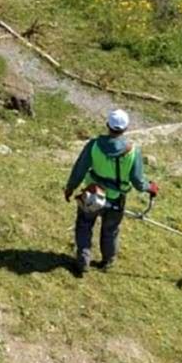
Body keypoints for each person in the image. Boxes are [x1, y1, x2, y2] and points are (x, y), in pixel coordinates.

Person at [63, 108, 158, 275]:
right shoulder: (133, 151)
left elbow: (80, 169)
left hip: (92, 194)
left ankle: (83, 258)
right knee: (110, 230)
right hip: (115, 199)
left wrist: (70, 187)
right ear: (126, 128)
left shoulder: (94, 145)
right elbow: (137, 181)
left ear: (108, 125)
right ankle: (107, 261)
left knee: (84, 225)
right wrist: (150, 187)